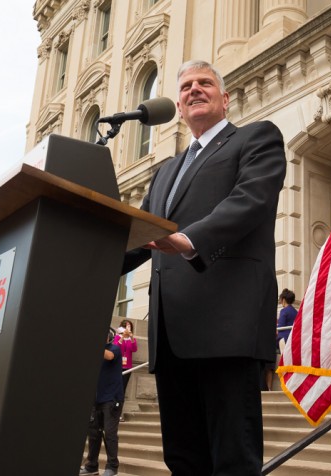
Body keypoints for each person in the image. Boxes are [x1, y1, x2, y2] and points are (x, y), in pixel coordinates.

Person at [121, 59, 286, 475]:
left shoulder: (256, 139)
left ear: (225, 98)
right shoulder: (164, 173)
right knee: (183, 459)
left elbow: (250, 200)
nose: (195, 90)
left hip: (226, 329)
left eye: (205, 83)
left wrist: (190, 240)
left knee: (232, 460)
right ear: (178, 104)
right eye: (187, 86)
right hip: (171, 336)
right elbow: (139, 236)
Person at [80, 329, 124, 476]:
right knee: (93, 434)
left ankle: (112, 467)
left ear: (109, 337)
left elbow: (110, 356)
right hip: (96, 399)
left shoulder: (114, 349)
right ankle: (92, 466)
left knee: (110, 433)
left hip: (112, 399)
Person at [114, 319, 137, 421]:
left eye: (130, 326)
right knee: (115, 389)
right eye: (126, 326)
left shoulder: (133, 339)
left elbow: (134, 349)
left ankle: (119, 413)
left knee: (122, 390)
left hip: (127, 367)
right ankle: (112, 412)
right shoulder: (118, 337)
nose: (128, 328)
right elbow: (116, 348)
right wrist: (123, 337)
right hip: (117, 367)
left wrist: (131, 337)